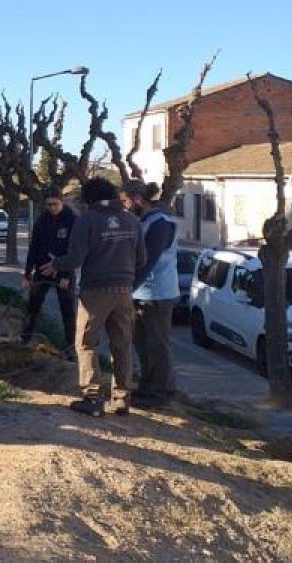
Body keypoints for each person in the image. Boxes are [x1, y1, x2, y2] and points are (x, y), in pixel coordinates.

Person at [40, 176, 144, 417]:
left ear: (89, 199)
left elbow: (75, 259)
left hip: (95, 291)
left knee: (86, 343)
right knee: (122, 345)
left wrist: (56, 264)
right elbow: (142, 259)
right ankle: (121, 400)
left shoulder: (87, 220)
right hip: (124, 290)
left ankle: (93, 398)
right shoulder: (131, 220)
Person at [122, 180, 179, 409]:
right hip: (142, 293)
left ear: (137, 199)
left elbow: (147, 262)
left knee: (157, 345)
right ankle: (146, 387)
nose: (124, 206)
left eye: (125, 201)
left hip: (158, 295)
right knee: (142, 345)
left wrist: (127, 288)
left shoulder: (160, 224)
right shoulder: (143, 221)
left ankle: (162, 393)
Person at [22, 188, 77, 352]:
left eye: (55, 204)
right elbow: (33, 248)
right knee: (32, 308)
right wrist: (27, 274)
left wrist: (66, 273)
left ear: (62, 202)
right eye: (48, 205)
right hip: (42, 270)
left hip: (64, 273)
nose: (52, 208)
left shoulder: (72, 220)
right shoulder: (41, 221)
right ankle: (24, 341)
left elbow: (75, 250)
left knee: (67, 312)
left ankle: (70, 349)